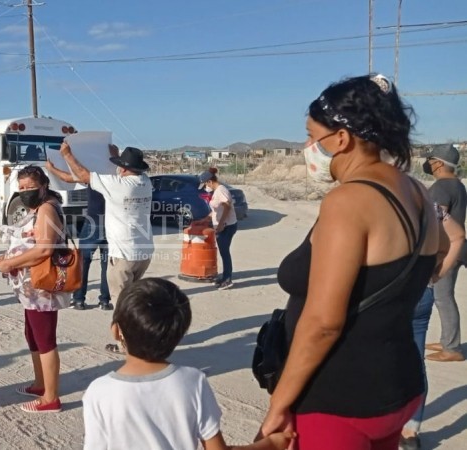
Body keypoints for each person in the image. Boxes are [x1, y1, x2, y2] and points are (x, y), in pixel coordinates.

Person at [260, 74, 445, 450]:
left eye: (312, 136)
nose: (307, 147)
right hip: (399, 384)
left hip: (339, 398)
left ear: (341, 138)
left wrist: (280, 402)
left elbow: (323, 323)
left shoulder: (348, 201)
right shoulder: (416, 191)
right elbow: (440, 251)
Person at [82, 278, 293, 450]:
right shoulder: (192, 381)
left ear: (116, 331)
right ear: (178, 334)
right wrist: (271, 444)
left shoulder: (98, 391)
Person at [50, 143, 154, 354]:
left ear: (123, 169)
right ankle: (135, 335)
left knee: (122, 304)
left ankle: (127, 345)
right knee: (133, 300)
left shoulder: (117, 185)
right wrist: (116, 157)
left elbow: (81, 175)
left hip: (124, 254)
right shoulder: (145, 182)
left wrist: (67, 154)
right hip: (143, 253)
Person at [0, 165, 70, 413]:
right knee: (33, 335)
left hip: (42, 287)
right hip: (32, 287)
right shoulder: (38, 208)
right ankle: (40, 384)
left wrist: (10, 263)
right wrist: (8, 257)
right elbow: (29, 242)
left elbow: (45, 249)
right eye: (22, 187)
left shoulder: (47, 209)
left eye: (30, 187)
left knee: (45, 339)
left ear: (43, 186)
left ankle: (51, 398)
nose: (25, 192)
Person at [401, 204, 463, 449]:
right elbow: (458, 236)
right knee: (417, 362)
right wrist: (438, 273)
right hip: (422, 290)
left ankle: (378, 424)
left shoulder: (383, 201)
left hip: (392, 295)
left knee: (377, 358)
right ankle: (411, 431)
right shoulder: (428, 203)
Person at [421, 144, 466, 362]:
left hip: (445, 250)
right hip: (455, 248)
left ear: (438, 163)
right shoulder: (458, 185)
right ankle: (448, 339)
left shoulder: (441, 187)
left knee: (443, 298)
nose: (428, 163)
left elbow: (438, 221)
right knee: (445, 296)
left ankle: (452, 348)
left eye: (430, 160)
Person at [46, 160, 111, 310]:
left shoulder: (93, 177)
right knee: (106, 263)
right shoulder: (116, 178)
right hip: (111, 224)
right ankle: (105, 301)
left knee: (83, 262)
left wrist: (52, 168)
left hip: (93, 223)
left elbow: (67, 178)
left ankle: (79, 299)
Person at [197, 167, 237, 290]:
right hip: (223, 226)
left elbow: (227, 207)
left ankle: (227, 280)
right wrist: (206, 219)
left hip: (226, 227)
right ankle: (225, 276)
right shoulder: (217, 191)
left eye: (205, 185)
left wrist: (220, 224)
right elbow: (216, 210)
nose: (205, 187)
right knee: (223, 252)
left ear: (209, 181)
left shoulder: (221, 190)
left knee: (225, 253)